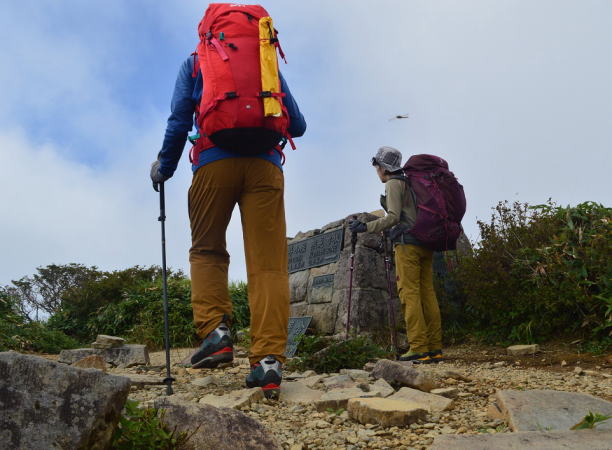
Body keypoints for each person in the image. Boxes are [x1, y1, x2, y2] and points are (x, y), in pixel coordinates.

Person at [150, 52, 306, 396]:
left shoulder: (194, 63)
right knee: (268, 267)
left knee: (207, 250)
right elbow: (298, 125)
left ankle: (216, 334)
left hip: (212, 164)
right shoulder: (265, 60)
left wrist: (165, 166)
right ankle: (268, 362)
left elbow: (178, 121)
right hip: (265, 168)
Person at [349, 146, 443, 363]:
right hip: (425, 243)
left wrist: (365, 227)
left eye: (376, 167)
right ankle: (435, 348)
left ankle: (419, 347)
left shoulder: (393, 184)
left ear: (382, 167)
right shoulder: (411, 182)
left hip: (407, 245)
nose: (377, 172)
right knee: (427, 294)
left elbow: (392, 217)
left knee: (409, 294)